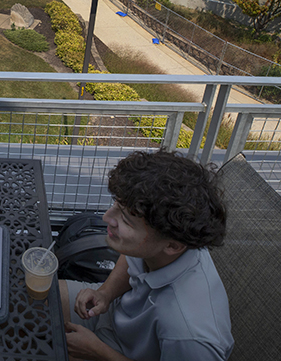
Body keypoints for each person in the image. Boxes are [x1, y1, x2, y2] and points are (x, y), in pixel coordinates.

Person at [61, 150, 233, 361]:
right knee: (27, 298)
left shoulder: (189, 335)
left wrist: (97, 352)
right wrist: (105, 293)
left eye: (125, 220)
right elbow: (132, 257)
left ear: (172, 245)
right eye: (117, 205)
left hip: (116, 353)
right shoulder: (161, 245)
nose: (107, 217)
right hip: (112, 313)